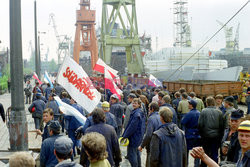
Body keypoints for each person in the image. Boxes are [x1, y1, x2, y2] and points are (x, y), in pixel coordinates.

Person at [198, 96, 225, 166]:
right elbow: (222, 126)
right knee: (215, 153)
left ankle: (204, 165)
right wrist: (220, 136)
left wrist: (202, 135)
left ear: (206, 103)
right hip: (216, 137)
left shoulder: (203, 111)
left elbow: (200, 124)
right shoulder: (219, 112)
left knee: (204, 154)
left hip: (206, 136)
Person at [122, 98, 146, 167]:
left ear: (139, 104)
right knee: (137, 154)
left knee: (132, 155)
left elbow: (132, 127)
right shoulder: (140, 112)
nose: (133, 104)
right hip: (139, 136)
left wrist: (125, 136)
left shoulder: (136, 114)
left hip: (134, 137)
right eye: (133, 103)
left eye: (135, 103)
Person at [138, 102, 162, 167]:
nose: (148, 109)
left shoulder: (151, 118)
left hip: (152, 145)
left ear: (152, 109)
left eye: (149, 108)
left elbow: (148, 134)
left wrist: (142, 145)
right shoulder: (160, 117)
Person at [181, 99, 201, 167]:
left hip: (189, 134)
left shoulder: (189, 114)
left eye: (189, 104)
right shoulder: (199, 113)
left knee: (186, 151)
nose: (188, 105)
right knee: (197, 152)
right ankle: (197, 165)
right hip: (198, 135)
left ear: (191, 105)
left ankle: (186, 164)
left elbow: (183, 122)